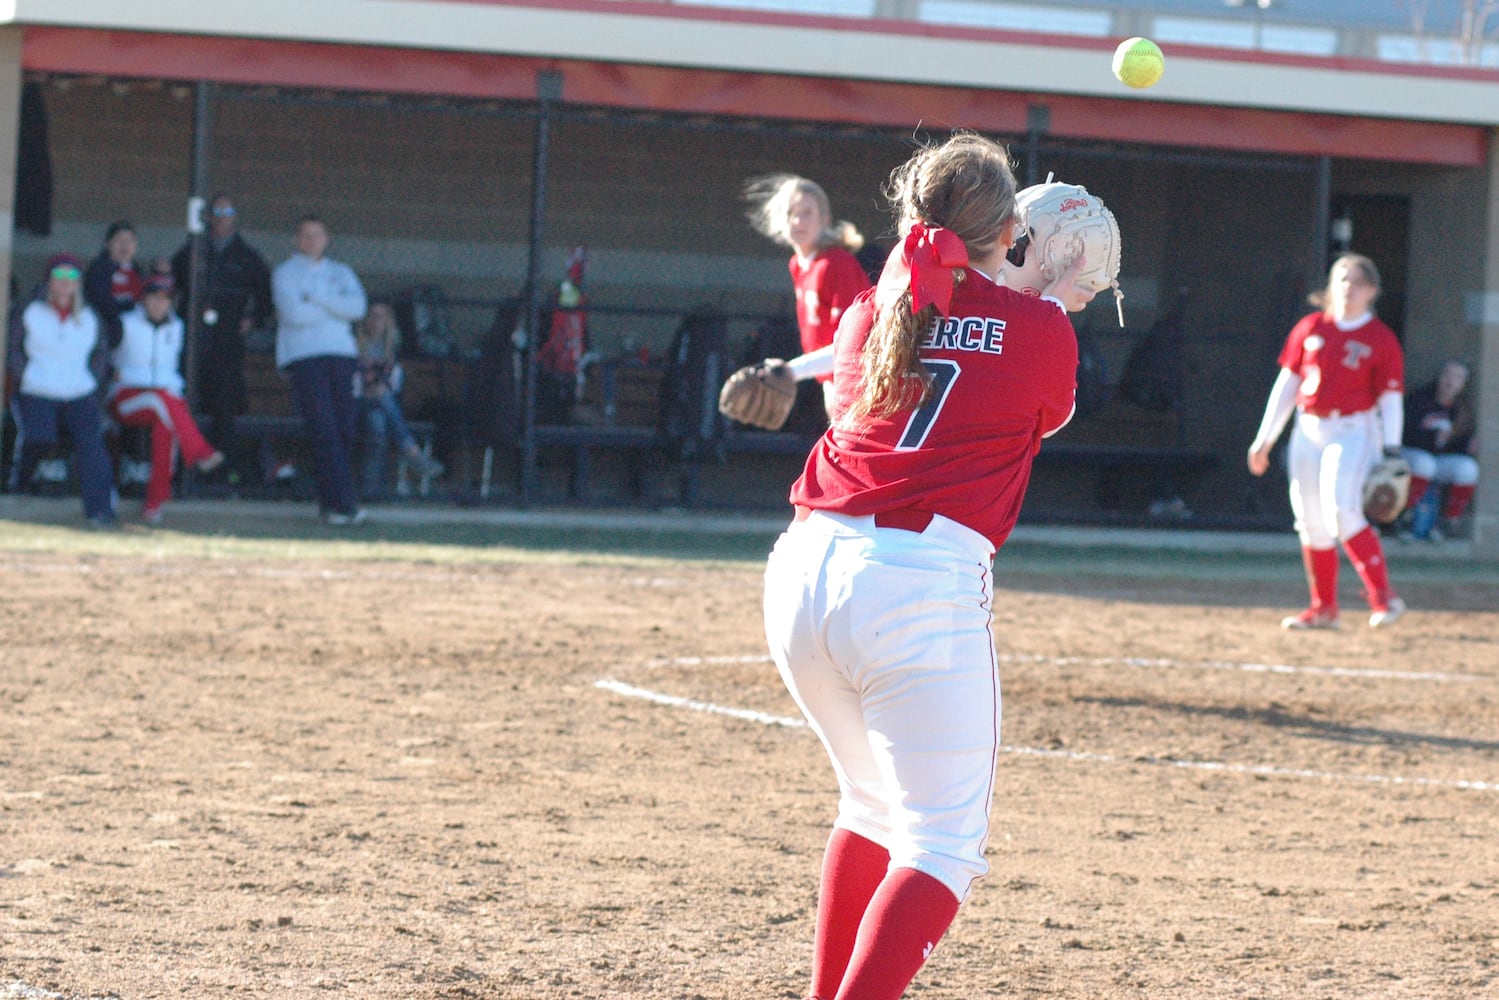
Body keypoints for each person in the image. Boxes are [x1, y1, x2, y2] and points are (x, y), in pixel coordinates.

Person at [762, 132, 1084, 1000]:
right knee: (940, 846)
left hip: (803, 564)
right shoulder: (1043, 326)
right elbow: (1037, 417)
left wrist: (1009, 287)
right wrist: (1045, 293)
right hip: (915, 581)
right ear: (1009, 227)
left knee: (869, 807)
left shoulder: (872, 305)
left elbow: (903, 373)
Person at [1247, 253, 1407, 630]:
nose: (1347, 288)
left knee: (1342, 510)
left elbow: (1390, 398)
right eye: (1341, 279)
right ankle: (1324, 608)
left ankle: (1385, 599)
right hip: (1309, 427)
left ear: (1372, 291)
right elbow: (1287, 385)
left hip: (1353, 429)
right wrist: (1264, 439)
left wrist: (1393, 450)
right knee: (1311, 520)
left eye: (1356, 281)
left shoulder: (1379, 337)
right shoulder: (1311, 326)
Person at [745, 174, 871, 418]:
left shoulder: (836, 263)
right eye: (791, 212)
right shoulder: (798, 265)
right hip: (832, 378)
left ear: (825, 220)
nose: (797, 220)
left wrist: (790, 371)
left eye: (807, 212)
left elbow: (853, 345)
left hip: (861, 382)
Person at [7, 253, 118, 527]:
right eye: (60, 276)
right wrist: (26, 376)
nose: (66, 283)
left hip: (78, 392)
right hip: (37, 390)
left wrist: (91, 380)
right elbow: (13, 348)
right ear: (49, 280)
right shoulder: (29, 311)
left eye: (72, 277)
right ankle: (18, 485)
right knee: (38, 437)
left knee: (92, 446)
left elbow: (100, 353)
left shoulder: (90, 317)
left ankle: (100, 511)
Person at [272, 214, 368, 525]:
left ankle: (333, 500)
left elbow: (357, 309)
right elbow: (293, 314)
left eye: (318, 235)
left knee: (345, 429)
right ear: (296, 239)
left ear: (326, 239)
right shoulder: (285, 273)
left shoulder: (342, 272)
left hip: (342, 356)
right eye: (306, 235)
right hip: (306, 357)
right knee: (324, 430)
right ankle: (343, 503)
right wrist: (334, 307)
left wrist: (316, 297)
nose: (312, 241)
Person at [107, 273, 225, 524]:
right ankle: (200, 452)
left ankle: (154, 503)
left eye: (166, 299)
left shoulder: (178, 327)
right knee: (161, 402)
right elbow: (102, 355)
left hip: (164, 401)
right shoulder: (124, 323)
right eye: (155, 298)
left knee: (166, 427)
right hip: (126, 398)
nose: (160, 304)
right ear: (143, 300)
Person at [171, 193, 274, 475]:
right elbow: (170, 287)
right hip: (192, 344)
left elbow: (266, 297)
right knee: (184, 403)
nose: (221, 217)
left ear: (235, 217)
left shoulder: (248, 257)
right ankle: (183, 469)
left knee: (224, 407)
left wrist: (253, 319)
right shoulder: (192, 251)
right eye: (216, 211)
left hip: (227, 344)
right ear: (207, 216)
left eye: (228, 211)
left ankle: (222, 473)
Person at [354, 300, 444, 498]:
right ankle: (411, 451)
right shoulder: (354, 347)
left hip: (380, 406)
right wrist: (370, 391)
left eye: (379, 317)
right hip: (356, 404)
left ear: (387, 322)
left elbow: (395, 385)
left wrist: (379, 390)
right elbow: (351, 384)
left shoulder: (393, 350)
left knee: (378, 422)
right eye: (371, 316)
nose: (374, 321)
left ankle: (371, 490)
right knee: (382, 402)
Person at [1400, 358, 1479, 541]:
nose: (1450, 381)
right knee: (1425, 463)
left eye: (1457, 378)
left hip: (1439, 460)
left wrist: (1462, 444)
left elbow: (1463, 445)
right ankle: (1407, 516)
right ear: (1440, 376)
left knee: (1467, 468)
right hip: (1411, 455)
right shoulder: (1420, 399)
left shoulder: (1463, 408)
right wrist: (1432, 438)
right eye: (1448, 375)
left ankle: (1448, 521)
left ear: (1463, 384)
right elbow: (1405, 434)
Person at [83, 220, 143, 350]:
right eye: (119, 240)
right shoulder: (98, 270)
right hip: (105, 334)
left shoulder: (138, 271)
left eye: (130, 241)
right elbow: (101, 303)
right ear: (107, 244)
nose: (125, 246)